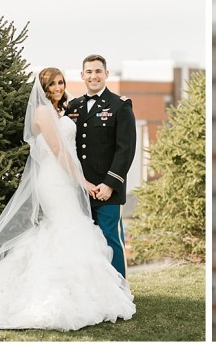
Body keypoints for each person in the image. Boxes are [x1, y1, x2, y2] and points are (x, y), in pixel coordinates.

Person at [0, 68, 135, 331]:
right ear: (42, 88)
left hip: (65, 179)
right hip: (55, 180)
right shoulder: (43, 112)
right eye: (51, 84)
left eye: (61, 82)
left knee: (67, 229)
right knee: (66, 229)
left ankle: (82, 291)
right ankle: (56, 295)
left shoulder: (63, 110)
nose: (58, 87)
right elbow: (59, 152)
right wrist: (82, 182)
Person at [65, 54, 136, 278]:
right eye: (89, 72)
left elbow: (125, 149)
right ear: (82, 75)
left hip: (108, 191)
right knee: (85, 242)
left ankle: (119, 291)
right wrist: (80, 183)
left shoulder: (120, 105)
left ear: (106, 74)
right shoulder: (73, 108)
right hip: (80, 188)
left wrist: (110, 184)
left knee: (110, 240)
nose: (93, 76)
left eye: (98, 71)